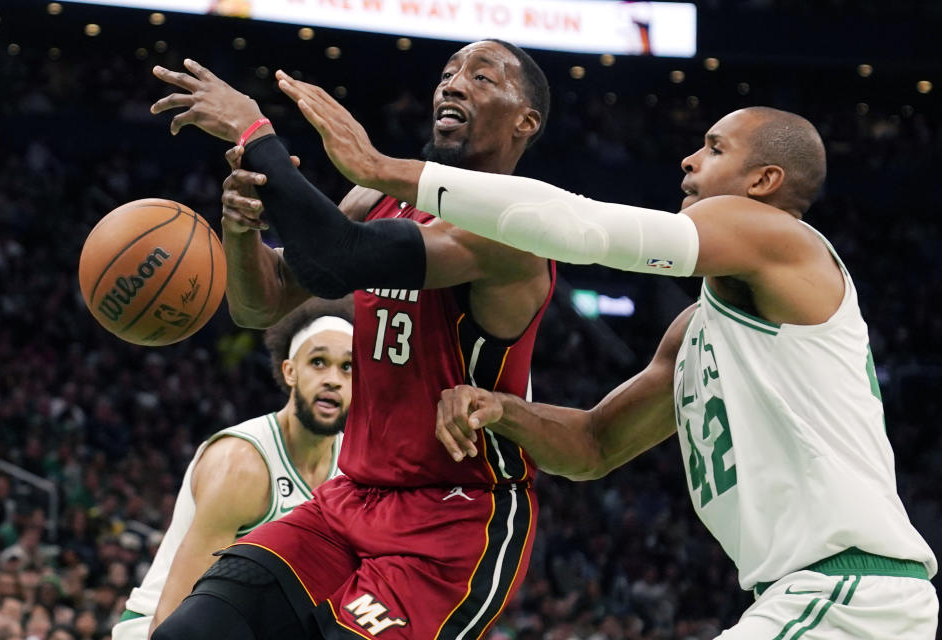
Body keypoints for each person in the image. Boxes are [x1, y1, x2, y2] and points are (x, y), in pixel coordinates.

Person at [279, 93, 939, 638]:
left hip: (849, 594)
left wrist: (386, 170)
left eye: (713, 148)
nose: (687, 159)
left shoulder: (783, 241)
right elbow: (593, 448)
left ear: (763, 182)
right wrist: (501, 408)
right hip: (814, 599)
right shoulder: (695, 331)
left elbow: (583, 229)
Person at [148, 40, 556, 640]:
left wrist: (254, 129)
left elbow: (343, 254)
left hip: (454, 521)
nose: (453, 83)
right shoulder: (375, 199)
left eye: (483, 77)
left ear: (527, 122)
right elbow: (262, 302)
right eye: (448, 73)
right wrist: (241, 230)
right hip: (351, 496)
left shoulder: (513, 224)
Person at [111, 299, 353, 640]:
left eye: (348, 367)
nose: (333, 379)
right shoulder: (242, 464)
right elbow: (177, 618)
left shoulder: (353, 468)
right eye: (318, 362)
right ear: (290, 371)